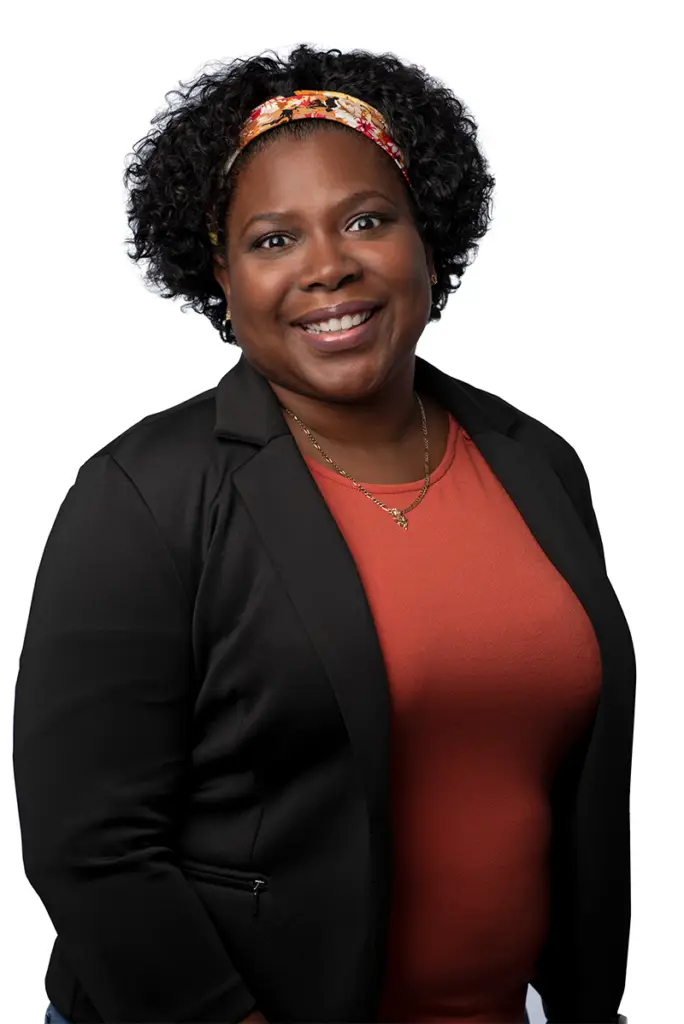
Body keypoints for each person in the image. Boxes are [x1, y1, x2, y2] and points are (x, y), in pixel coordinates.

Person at [13, 43, 634, 1024]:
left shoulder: (535, 463)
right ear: (221, 275)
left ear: (426, 238)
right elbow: (91, 845)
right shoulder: (143, 496)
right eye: (274, 240)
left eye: (367, 220)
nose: (328, 266)